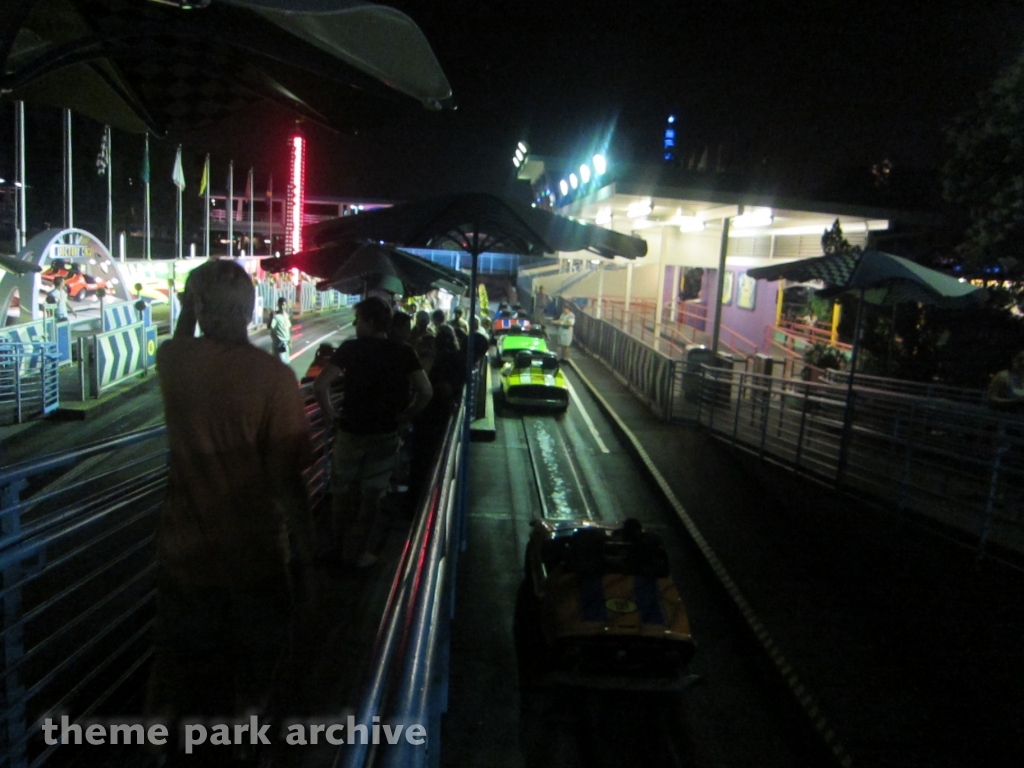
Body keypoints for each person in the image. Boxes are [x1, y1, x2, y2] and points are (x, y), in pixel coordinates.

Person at [147, 259, 315, 734]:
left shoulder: (173, 361)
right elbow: (289, 482)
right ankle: (245, 740)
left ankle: (154, 743)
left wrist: (186, 307)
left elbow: (181, 340)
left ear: (199, 306)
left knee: (174, 660)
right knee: (257, 662)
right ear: (250, 308)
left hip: (184, 553)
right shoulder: (276, 380)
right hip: (256, 557)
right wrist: (306, 556)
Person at [314, 297, 432, 568]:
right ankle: (358, 554)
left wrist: (332, 414)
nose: (356, 326)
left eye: (358, 320)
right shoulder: (404, 352)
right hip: (385, 433)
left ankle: (336, 547)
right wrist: (406, 415)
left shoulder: (350, 349)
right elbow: (425, 391)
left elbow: (322, 386)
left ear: (368, 321)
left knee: (342, 491)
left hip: (351, 430)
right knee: (372, 495)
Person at [270, 297, 292, 364]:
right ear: (278, 305)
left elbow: (287, 329)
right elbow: (271, 328)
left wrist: (289, 341)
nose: (282, 307)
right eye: (281, 305)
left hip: (285, 343)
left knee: (285, 361)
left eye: (284, 305)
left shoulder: (286, 316)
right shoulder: (276, 317)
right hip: (280, 343)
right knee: (281, 362)